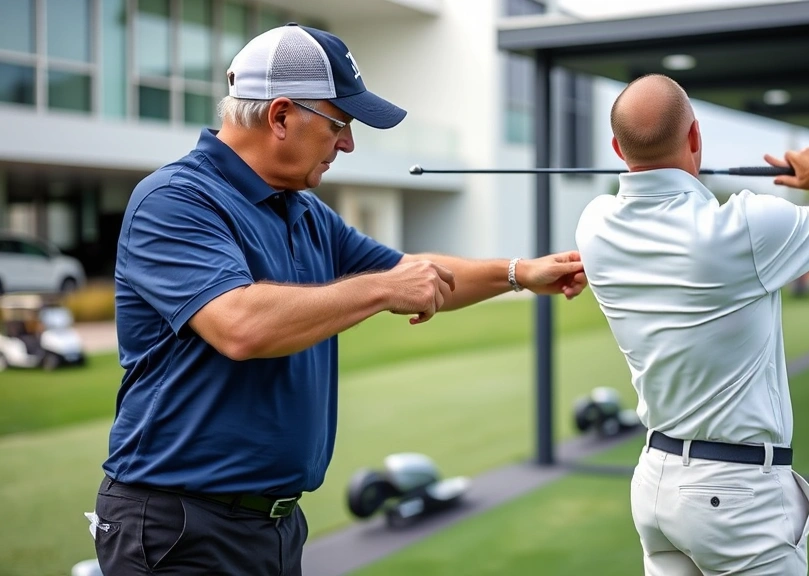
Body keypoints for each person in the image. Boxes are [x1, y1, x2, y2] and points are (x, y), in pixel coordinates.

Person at [88, 23, 587, 576]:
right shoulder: (176, 200)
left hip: (274, 526)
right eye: (340, 124)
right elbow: (241, 326)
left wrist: (519, 272)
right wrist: (381, 290)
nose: (347, 143)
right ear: (280, 116)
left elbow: (414, 274)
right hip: (179, 527)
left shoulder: (301, 208)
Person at [574, 74, 809, 575]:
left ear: (616, 148)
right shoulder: (742, 227)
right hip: (737, 498)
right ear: (695, 138)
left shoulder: (595, 223)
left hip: (655, 483)